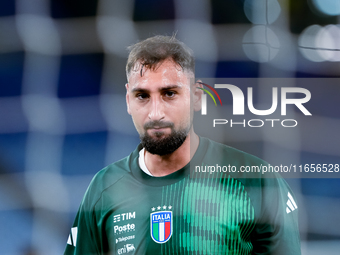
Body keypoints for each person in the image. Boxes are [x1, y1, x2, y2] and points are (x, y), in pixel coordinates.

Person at [64, 35, 301, 255]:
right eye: (142, 96)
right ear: (128, 100)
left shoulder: (256, 181)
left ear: (196, 97)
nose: (155, 113)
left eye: (169, 93)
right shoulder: (104, 188)